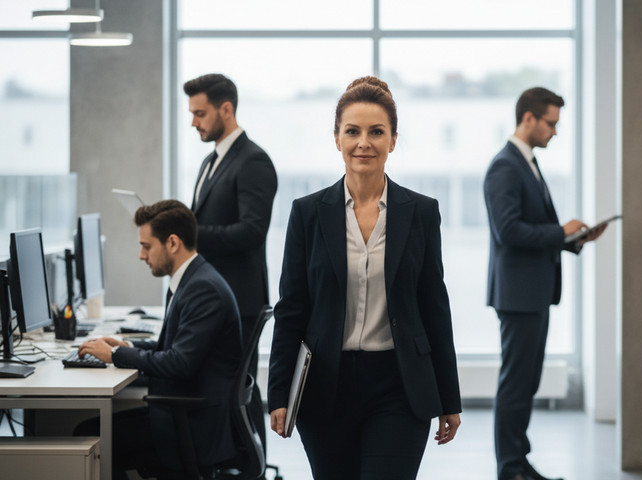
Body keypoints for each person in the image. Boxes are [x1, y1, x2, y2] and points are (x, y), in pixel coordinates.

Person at [267, 76, 462, 480]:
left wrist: (448, 396)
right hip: (325, 387)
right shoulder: (307, 213)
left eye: (377, 132)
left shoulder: (421, 212)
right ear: (336, 138)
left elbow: (434, 306)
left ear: (393, 140)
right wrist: (278, 395)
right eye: (352, 131)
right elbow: (292, 309)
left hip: (400, 385)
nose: (364, 143)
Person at [484, 87, 606, 480]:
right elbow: (508, 231)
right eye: (551, 123)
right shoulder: (506, 166)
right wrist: (559, 231)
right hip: (519, 296)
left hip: (532, 293)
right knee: (516, 384)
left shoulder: (527, 164)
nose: (555, 131)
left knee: (526, 381)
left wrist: (571, 239)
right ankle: (510, 469)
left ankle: (519, 463)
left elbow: (527, 229)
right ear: (528, 119)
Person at [75, 200, 243, 480]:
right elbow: (174, 348)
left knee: (88, 435)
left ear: (173, 243)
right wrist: (126, 347)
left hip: (191, 426)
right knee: (91, 430)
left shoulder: (203, 289)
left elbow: (180, 363)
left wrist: (114, 357)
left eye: (147, 246)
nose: (141, 255)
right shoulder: (192, 279)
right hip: (184, 413)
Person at [184, 73, 277, 444]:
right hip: (216, 298)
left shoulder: (253, 161)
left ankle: (251, 467)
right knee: (227, 393)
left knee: (239, 393)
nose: (194, 122)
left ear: (226, 109)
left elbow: (252, 232)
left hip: (239, 302)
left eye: (200, 113)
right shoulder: (212, 160)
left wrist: (189, 236)